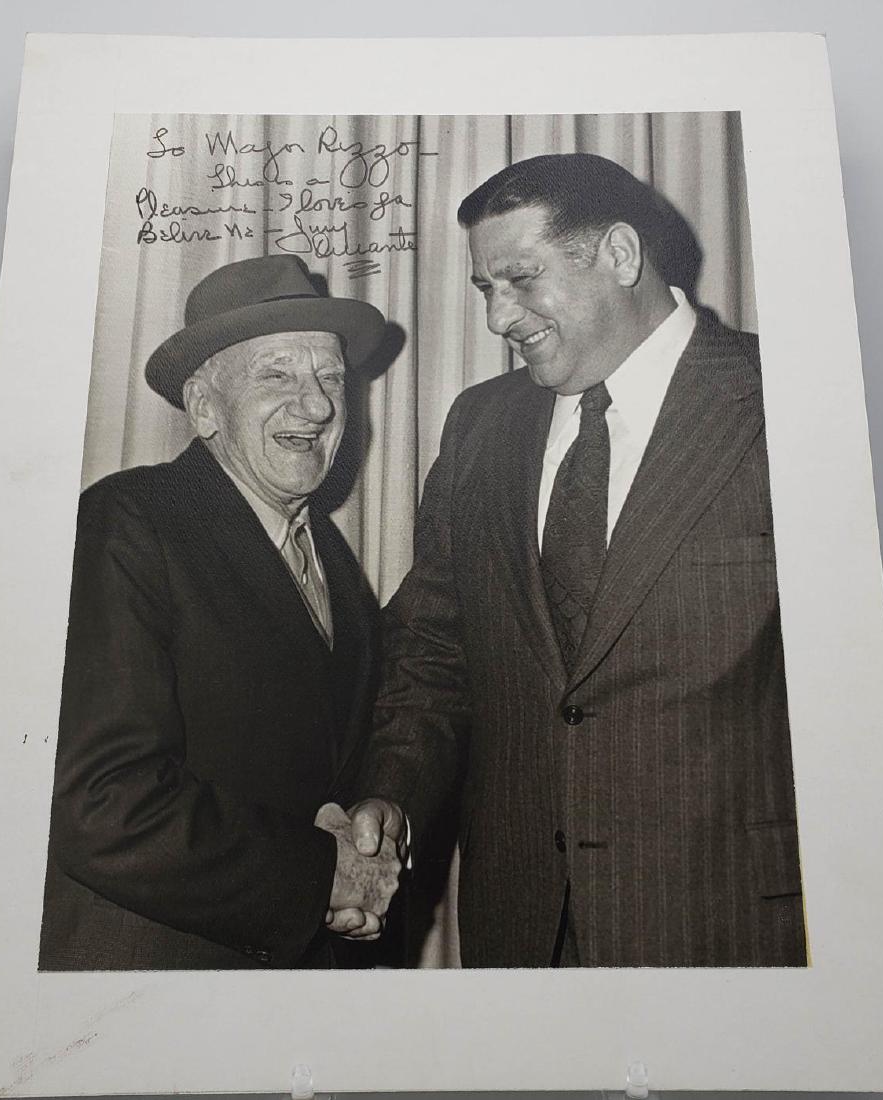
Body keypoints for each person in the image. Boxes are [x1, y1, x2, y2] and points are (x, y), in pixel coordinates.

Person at [346, 153, 807, 968]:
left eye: (520, 279)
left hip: (734, 924)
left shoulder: (794, 401)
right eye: (487, 289)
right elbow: (434, 651)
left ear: (621, 255)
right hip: (521, 928)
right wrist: (392, 794)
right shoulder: (480, 425)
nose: (498, 318)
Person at [38, 255, 400, 970]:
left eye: (330, 376)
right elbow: (100, 801)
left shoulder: (326, 552)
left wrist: (363, 831)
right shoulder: (130, 521)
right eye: (278, 374)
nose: (319, 405)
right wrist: (320, 876)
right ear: (204, 407)